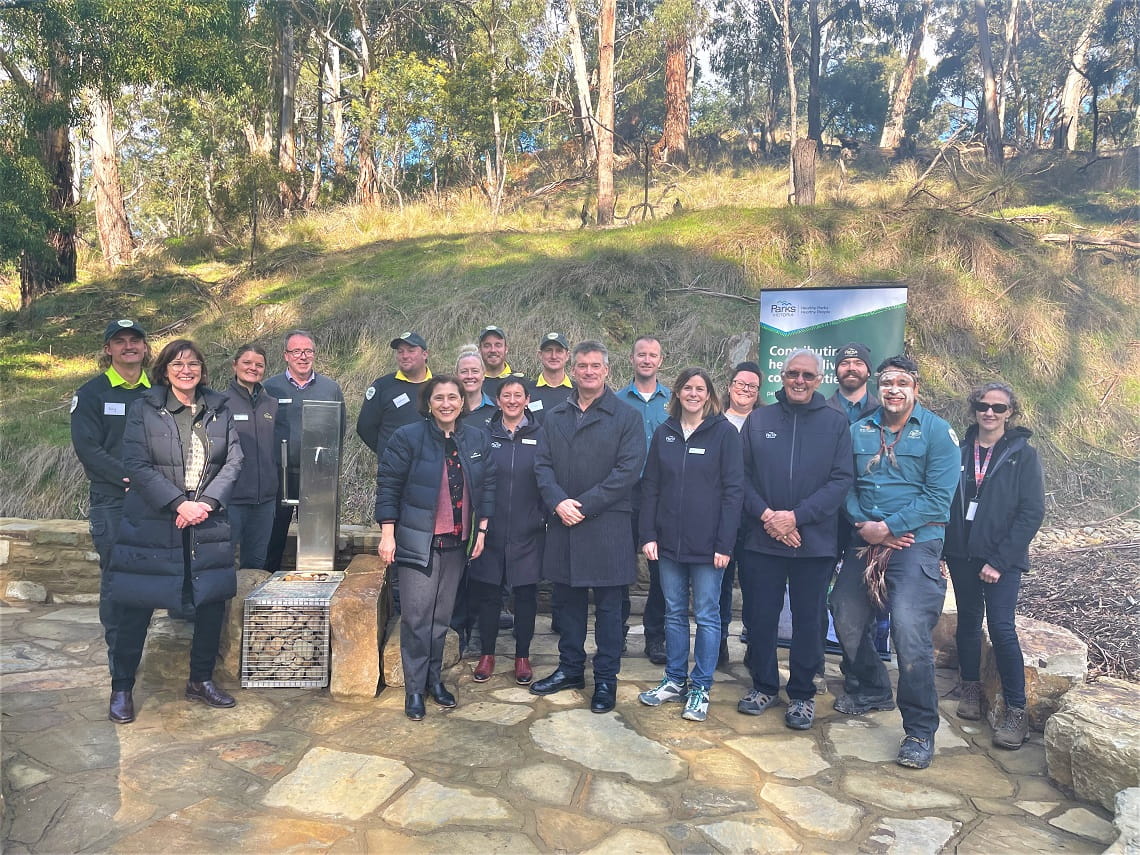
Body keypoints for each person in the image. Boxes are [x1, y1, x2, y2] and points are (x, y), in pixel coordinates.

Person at [829, 355, 959, 769]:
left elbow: (939, 498)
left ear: (916, 387)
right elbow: (844, 484)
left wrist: (890, 528)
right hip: (865, 540)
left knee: (908, 630)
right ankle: (871, 687)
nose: (894, 389)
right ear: (878, 386)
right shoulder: (857, 430)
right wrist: (863, 523)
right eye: (888, 382)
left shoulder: (938, 433)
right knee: (843, 613)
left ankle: (920, 731)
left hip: (914, 544)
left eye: (903, 382)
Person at [105, 339, 244, 724]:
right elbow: (136, 463)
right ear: (164, 369)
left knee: (210, 603)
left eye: (194, 363)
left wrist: (206, 504)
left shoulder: (219, 408)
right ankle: (121, 688)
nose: (187, 369)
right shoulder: (144, 409)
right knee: (136, 605)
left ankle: (200, 680)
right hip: (154, 522)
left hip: (206, 522)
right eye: (178, 363)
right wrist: (178, 503)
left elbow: (233, 461)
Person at [735, 350, 853, 730]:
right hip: (762, 537)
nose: (799, 381)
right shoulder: (759, 419)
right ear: (781, 377)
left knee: (809, 621)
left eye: (807, 375)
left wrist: (796, 517)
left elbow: (841, 480)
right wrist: (769, 517)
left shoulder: (836, 423)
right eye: (792, 374)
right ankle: (764, 685)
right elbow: (740, 477)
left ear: (819, 381)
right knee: (761, 617)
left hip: (814, 541)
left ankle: (802, 694)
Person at [531, 341, 645, 713]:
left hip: (608, 526)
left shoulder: (626, 416)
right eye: (583, 366)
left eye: (596, 365)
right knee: (567, 605)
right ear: (573, 370)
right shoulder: (555, 416)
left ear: (607, 370)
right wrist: (558, 502)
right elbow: (542, 466)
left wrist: (583, 505)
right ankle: (570, 669)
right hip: (563, 523)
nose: (589, 371)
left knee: (611, 609)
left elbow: (627, 472)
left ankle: (606, 679)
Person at [376, 375, 496, 721]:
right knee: (416, 618)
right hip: (418, 542)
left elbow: (486, 488)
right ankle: (414, 690)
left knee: (441, 619)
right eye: (439, 397)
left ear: (463, 401)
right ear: (428, 403)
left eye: (453, 397)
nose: (446, 403)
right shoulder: (407, 438)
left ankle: (433, 681)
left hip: (457, 543)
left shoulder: (475, 438)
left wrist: (482, 531)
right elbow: (388, 487)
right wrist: (388, 534)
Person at [637, 368, 742, 722]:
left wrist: (725, 543)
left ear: (709, 394)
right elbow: (650, 486)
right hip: (667, 544)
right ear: (677, 393)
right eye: (687, 388)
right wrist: (648, 534)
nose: (693, 394)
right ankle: (674, 679)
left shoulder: (724, 434)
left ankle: (700, 687)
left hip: (709, 546)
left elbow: (733, 493)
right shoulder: (664, 433)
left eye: (700, 388)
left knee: (709, 616)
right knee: (674, 612)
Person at [944, 382, 1044, 750]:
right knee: (968, 623)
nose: (990, 413)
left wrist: (999, 561)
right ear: (974, 411)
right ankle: (970, 690)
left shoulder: (1023, 455)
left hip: (1001, 558)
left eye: (998, 408)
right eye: (983, 406)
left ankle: (1016, 712)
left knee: (1002, 629)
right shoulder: (957, 451)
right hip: (961, 553)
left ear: (1010, 413)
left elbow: (1031, 512)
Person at [71, 319, 152, 668]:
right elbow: (88, 448)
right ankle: (120, 659)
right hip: (113, 502)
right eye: (120, 341)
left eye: (135, 340)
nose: (128, 346)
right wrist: (129, 478)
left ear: (145, 347)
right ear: (108, 350)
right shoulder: (92, 394)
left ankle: (155, 645)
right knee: (118, 576)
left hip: (158, 501)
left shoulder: (161, 390)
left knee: (155, 574)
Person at [469, 378, 545, 685]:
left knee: (526, 595)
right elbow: (476, 479)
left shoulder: (542, 435)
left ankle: (522, 656)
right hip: (492, 527)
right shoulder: (483, 434)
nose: (512, 400)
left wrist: (542, 517)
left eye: (518, 395)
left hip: (529, 529)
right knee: (488, 594)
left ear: (527, 399)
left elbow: (549, 477)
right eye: (506, 395)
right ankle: (487, 654)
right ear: (497, 400)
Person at [263, 330, 346, 573]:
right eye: (296, 351)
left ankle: (316, 588)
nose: (303, 356)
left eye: (308, 351)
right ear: (286, 355)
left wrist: (330, 466)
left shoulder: (330, 388)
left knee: (319, 539)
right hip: (279, 474)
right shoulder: (270, 388)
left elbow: (340, 427)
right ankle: (267, 584)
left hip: (318, 476)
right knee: (273, 535)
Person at [616, 336, 671, 665]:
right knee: (621, 567)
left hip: (664, 496)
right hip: (626, 494)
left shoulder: (674, 401)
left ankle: (656, 635)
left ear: (660, 360)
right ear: (632, 358)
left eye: (653, 355)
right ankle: (617, 631)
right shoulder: (617, 401)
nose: (647, 360)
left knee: (661, 571)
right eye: (641, 354)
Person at [718, 361, 762, 663]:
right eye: (739, 383)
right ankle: (717, 644)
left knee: (755, 586)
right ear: (729, 386)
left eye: (751, 386)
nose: (744, 390)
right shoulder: (713, 419)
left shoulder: (767, 423)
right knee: (718, 586)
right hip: (718, 518)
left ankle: (754, 645)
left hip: (754, 518)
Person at [223, 344, 278, 570]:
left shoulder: (271, 404)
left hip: (264, 501)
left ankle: (246, 607)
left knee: (255, 564)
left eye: (259, 365)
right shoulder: (220, 402)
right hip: (231, 499)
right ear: (235, 365)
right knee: (222, 562)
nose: (253, 368)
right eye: (247, 363)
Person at [357, 331, 432, 458]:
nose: (405, 356)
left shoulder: (439, 386)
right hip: (394, 470)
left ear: (425, 354)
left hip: (432, 466)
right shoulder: (382, 386)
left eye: (411, 350)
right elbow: (365, 427)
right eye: (400, 351)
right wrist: (387, 452)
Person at [827, 342, 879, 424]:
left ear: (868, 372)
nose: (851, 368)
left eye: (858, 363)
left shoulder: (881, 411)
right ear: (836, 372)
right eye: (844, 364)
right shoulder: (821, 410)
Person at [528, 332, 574, 417]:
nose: (553, 356)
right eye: (548, 350)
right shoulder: (526, 390)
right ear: (540, 355)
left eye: (559, 351)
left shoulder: (579, 391)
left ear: (567, 356)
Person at [457, 345, 498, 431]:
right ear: (456, 375)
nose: (469, 376)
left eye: (475, 371)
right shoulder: (448, 408)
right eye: (464, 371)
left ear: (483, 374)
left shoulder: (498, 409)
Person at [478, 326, 514, 398]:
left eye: (498, 345)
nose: (493, 350)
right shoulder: (471, 384)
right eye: (487, 345)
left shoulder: (521, 382)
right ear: (479, 350)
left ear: (506, 349)